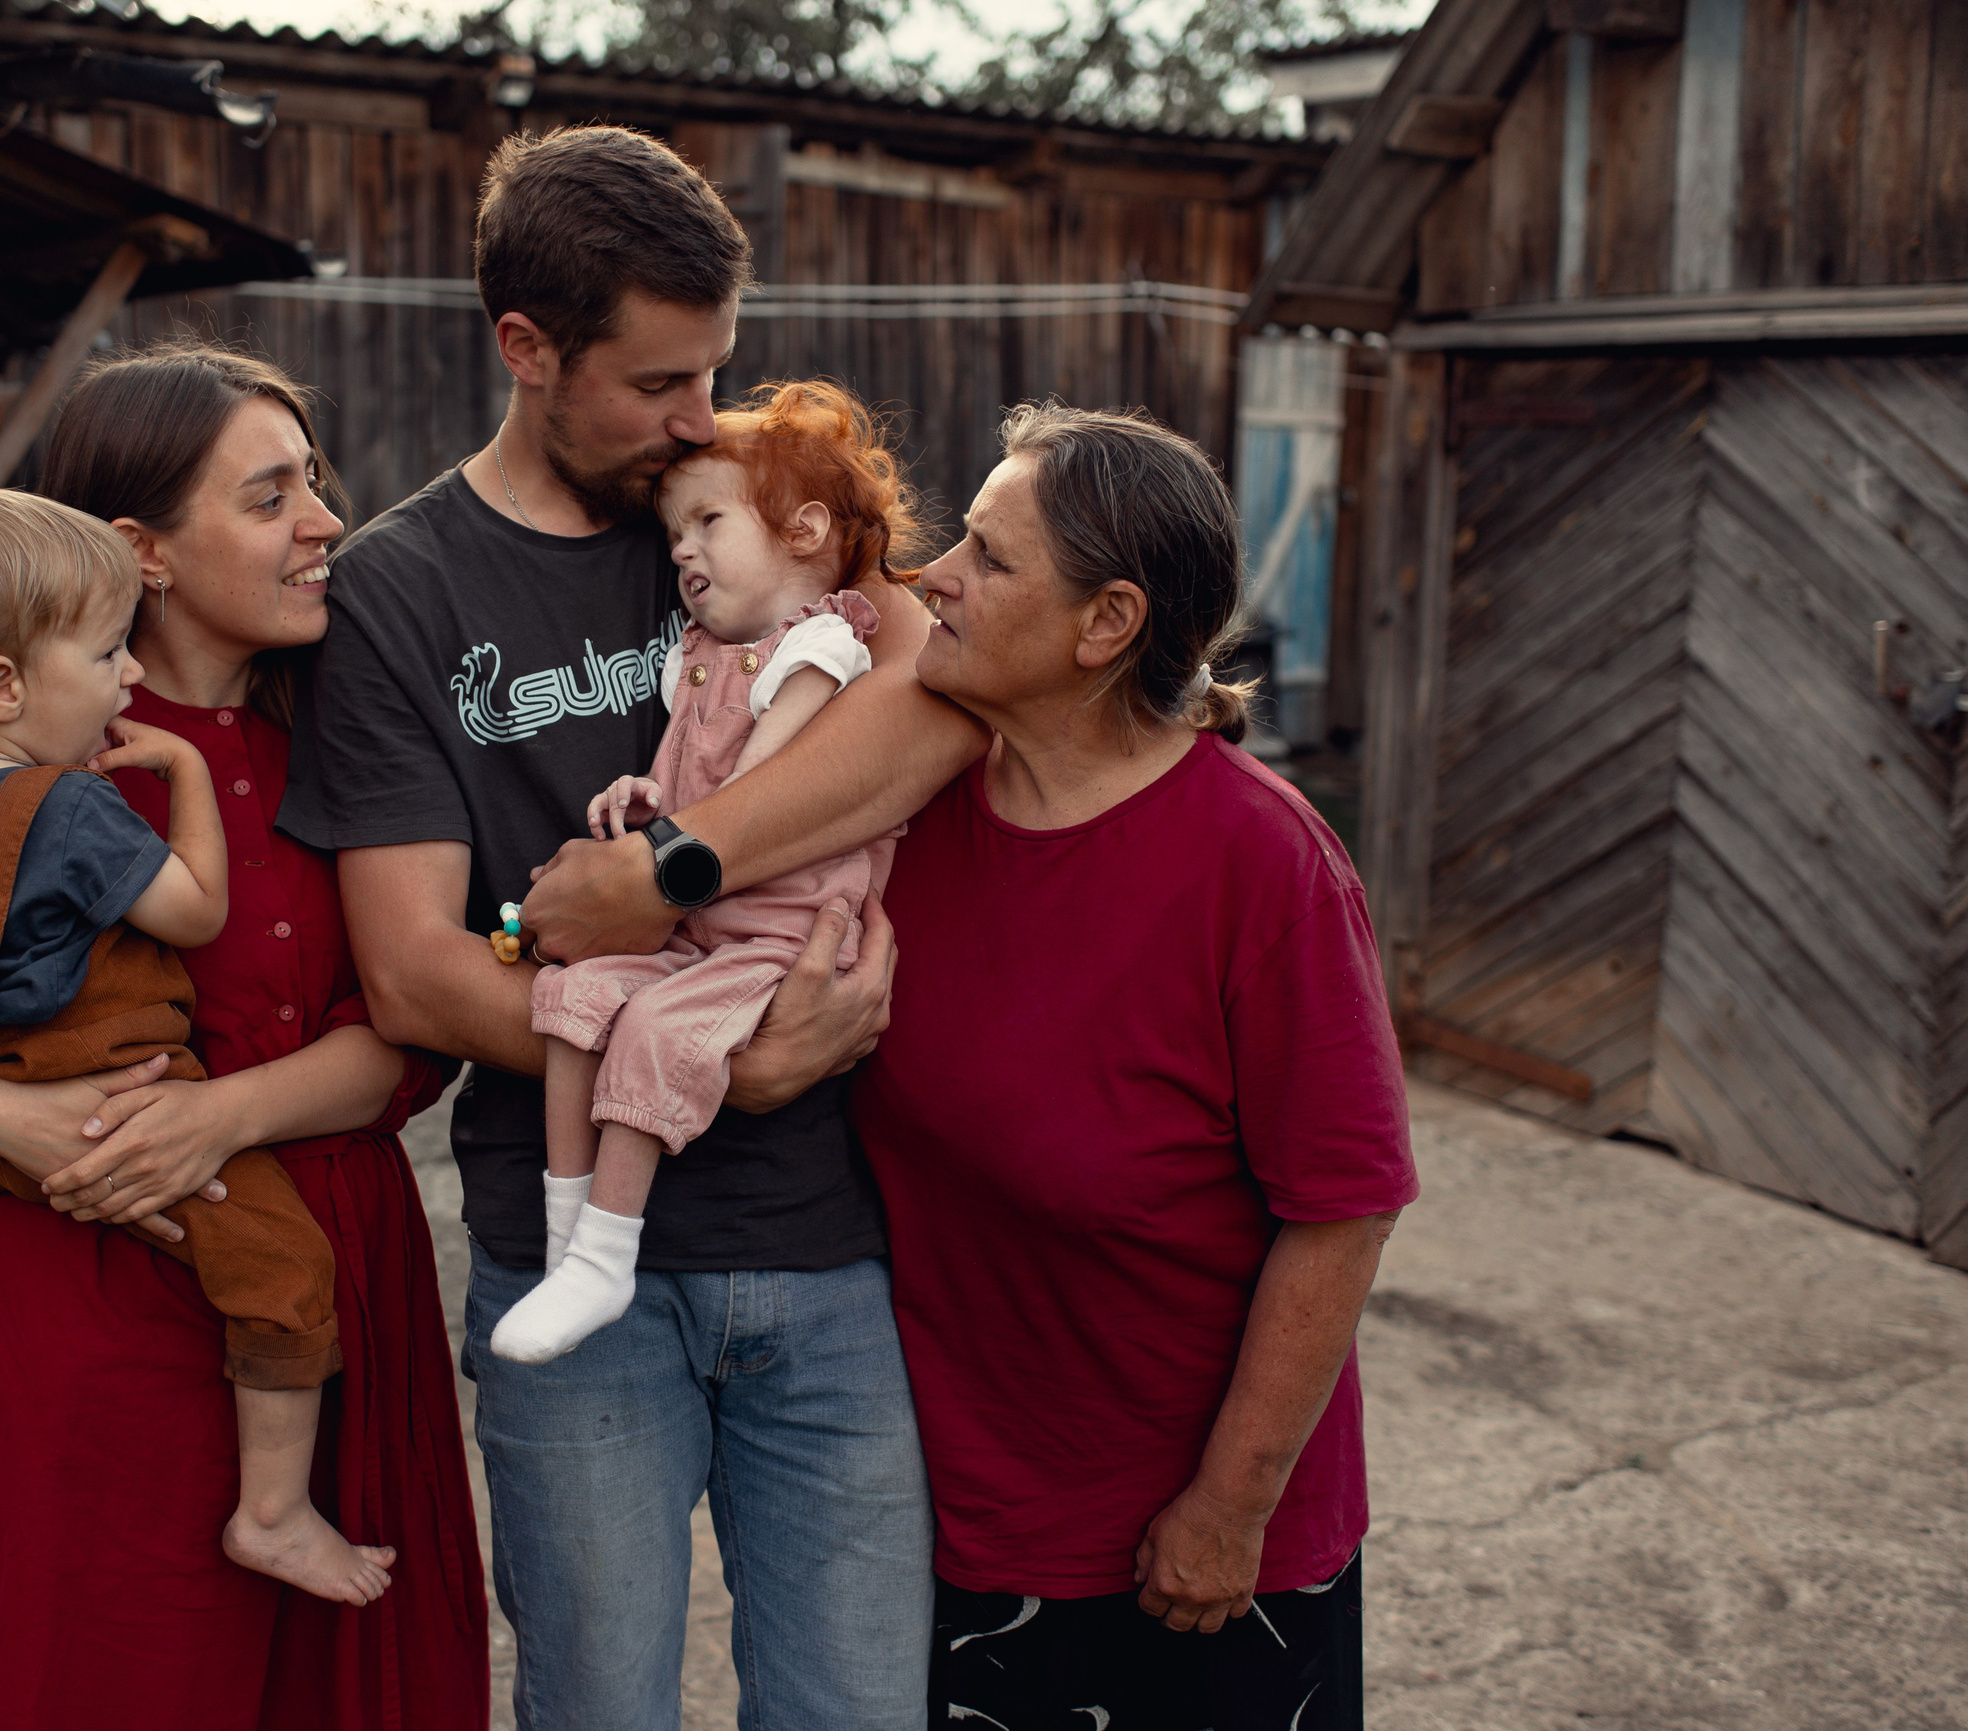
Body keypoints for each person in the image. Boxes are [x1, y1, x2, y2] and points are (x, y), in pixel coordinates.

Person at [278, 126, 987, 1727]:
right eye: (661, 381)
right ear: (526, 348)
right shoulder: (400, 592)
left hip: (828, 1245)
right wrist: (711, 1061)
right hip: (568, 1249)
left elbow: (937, 697)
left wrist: (674, 876)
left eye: (715, 371)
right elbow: (410, 969)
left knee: (861, 1706)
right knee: (599, 1704)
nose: (699, 418)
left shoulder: (757, 505)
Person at [0, 347, 488, 1728]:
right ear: (144, 551)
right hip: (79, 1292)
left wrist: (219, 1117)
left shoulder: (365, 731)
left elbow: (415, 1031)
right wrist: (12, 1122)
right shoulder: (19, 764)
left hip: (322, 1274)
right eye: (269, 493)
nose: (324, 521)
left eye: (316, 480)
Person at [849, 404, 1418, 1731]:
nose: (935, 574)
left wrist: (1228, 1506)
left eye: (986, 557)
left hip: (1201, 1554)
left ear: (1105, 623)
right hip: (974, 1523)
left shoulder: (1259, 863)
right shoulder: (910, 822)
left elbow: (1343, 1208)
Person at [0, 487, 393, 1605]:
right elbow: (196, 913)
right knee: (281, 1267)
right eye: (107, 652)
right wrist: (182, 778)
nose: (126, 677)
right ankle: (274, 1512)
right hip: (116, 1110)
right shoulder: (67, 811)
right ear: (2, 686)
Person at [489, 381, 927, 1365]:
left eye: (706, 522)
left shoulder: (822, 646)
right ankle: (566, 1233)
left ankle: (606, 1254)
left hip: (782, 934)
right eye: (672, 529)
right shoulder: (699, 655)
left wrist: (659, 844)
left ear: (805, 531)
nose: (679, 548)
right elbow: (689, 780)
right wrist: (642, 799)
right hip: (702, 926)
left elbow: (762, 786)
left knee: (650, 1027)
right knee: (569, 994)